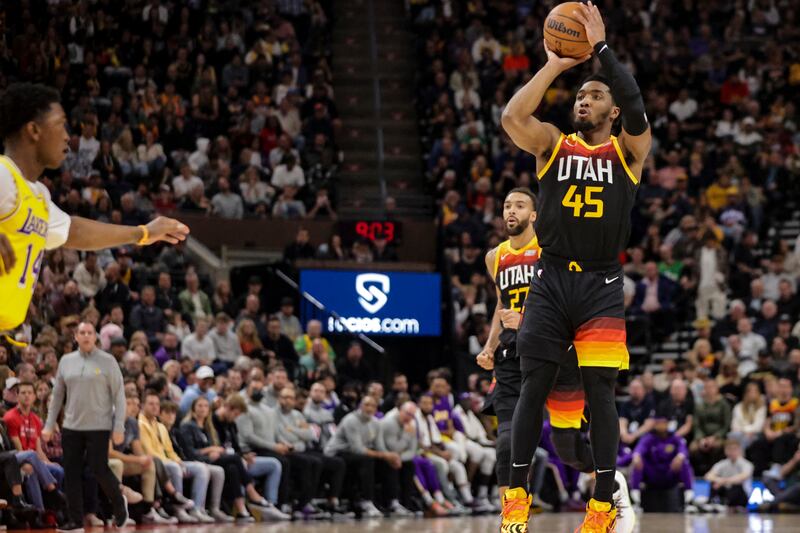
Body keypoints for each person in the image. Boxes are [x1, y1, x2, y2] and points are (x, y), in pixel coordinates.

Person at [500, 5, 651, 527]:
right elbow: (512, 118)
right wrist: (555, 65)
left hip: (601, 282)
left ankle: (603, 503)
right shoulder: (551, 145)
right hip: (551, 278)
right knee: (532, 385)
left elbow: (634, 102)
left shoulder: (629, 151)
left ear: (612, 111)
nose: (584, 100)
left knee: (602, 392)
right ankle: (514, 500)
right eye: (581, 95)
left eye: (594, 95)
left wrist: (602, 50)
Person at [0, 83, 189, 338]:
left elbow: (74, 231)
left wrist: (143, 233)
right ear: (34, 130)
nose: (68, 135)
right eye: (60, 124)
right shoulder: (4, 174)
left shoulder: (37, 195)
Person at [43, 322, 128, 531]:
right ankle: (75, 520)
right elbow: (57, 396)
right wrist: (49, 424)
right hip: (71, 426)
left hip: (99, 426)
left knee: (99, 469)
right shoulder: (66, 361)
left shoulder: (107, 361)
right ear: (76, 336)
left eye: (90, 332)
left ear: (95, 337)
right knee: (72, 472)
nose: (86, 336)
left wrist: (119, 427)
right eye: (82, 332)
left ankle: (119, 503)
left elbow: (120, 395)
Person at [704, 440, 753, 509]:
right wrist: (718, 480)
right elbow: (708, 476)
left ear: (740, 450)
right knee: (714, 483)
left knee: (735, 486)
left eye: (734, 449)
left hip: (741, 494)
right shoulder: (722, 463)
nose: (732, 452)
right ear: (725, 451)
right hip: (725, 490)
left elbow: (743, 476)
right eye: (729, 449)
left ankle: (732, 506)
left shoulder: (747, 464)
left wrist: (723, 481)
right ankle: (713, 503)